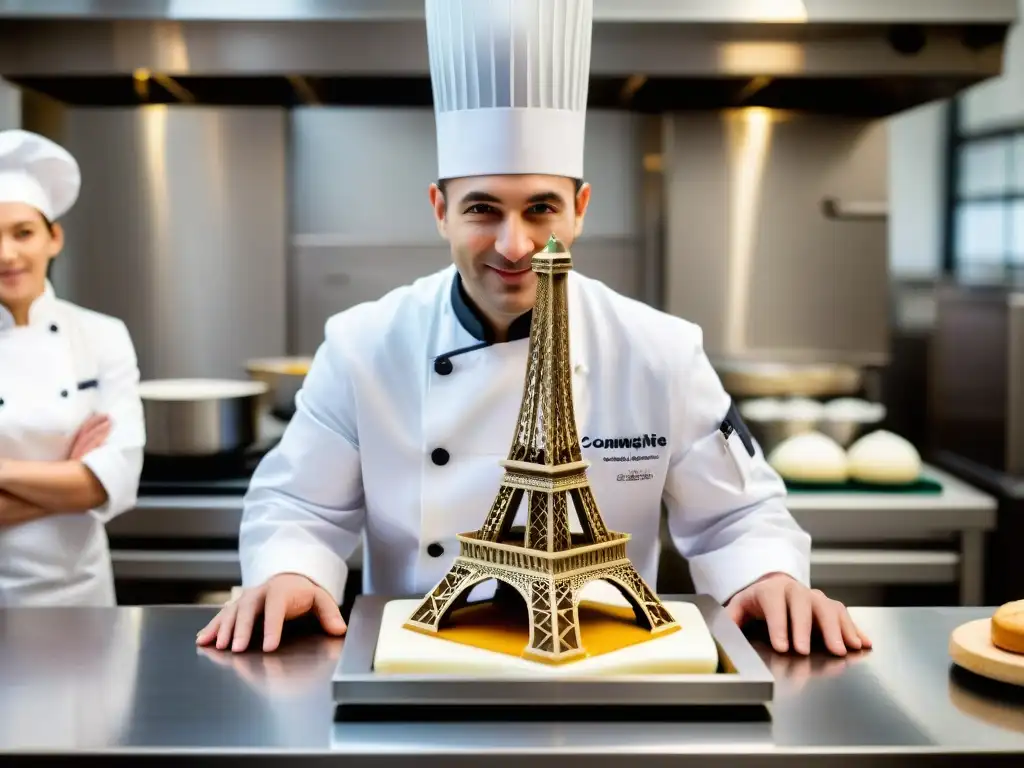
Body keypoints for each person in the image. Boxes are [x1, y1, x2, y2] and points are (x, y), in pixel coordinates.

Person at [198, 0, 871, 658]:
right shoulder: (362, 345)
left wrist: (769, 577)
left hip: (603, 674)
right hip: (411, 671)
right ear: (440, 210)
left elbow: (739, 516)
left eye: (540, 208)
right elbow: (299, 506)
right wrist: (288, 571)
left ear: (579, 210)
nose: (515, 244)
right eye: (483, 209)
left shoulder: (658, 350)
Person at [0, 129, 146, 606]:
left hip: (76, 599)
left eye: (23, 232)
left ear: (54, 237)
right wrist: (65, 475)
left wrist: (86, 483)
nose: (7, 255)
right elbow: (81, 485)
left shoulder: (102, 335)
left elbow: (109, 482)